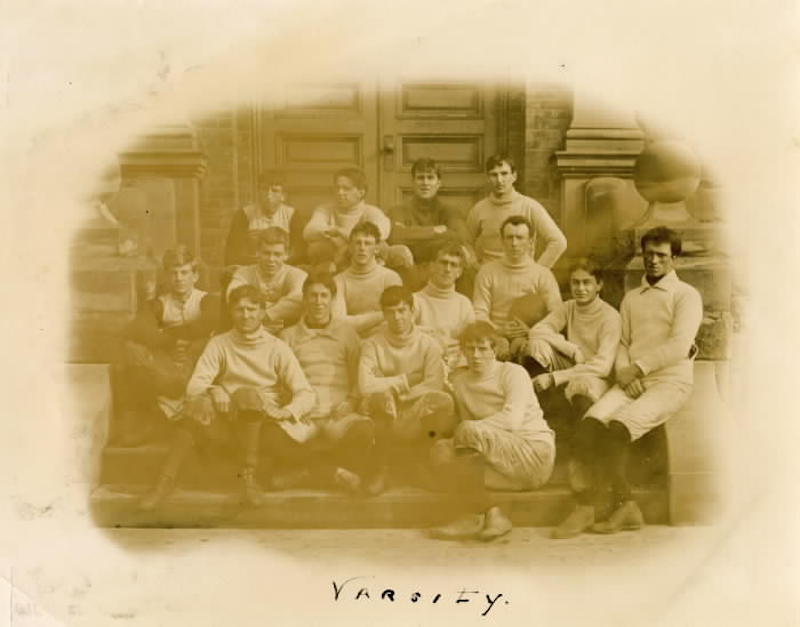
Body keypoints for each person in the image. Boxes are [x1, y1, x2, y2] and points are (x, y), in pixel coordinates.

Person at [551, 226, 703, 538]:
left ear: (674, 257)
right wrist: (624, 371)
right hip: (631, 379)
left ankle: (625, 506)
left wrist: (637, 369)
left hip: (669, 383)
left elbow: (679, 345)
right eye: (649, 254)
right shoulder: (633, 298)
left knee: (617, 430)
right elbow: (623, 342)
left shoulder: (686, 296)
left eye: (661, 255)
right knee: (590, 423)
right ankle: (587, 505)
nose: (654, 261)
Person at [138, 285, 315, 511]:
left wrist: (287, 411)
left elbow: (306, 393)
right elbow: (195, 386)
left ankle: (248, 479)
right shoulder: (220, 343)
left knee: (248, 395)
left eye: (252, 309)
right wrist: (214, 390)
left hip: (260, 425)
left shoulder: (276, 348)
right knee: (198, 406)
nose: (246, 315)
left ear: (262, 312)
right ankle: (164, 483)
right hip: (227, 421)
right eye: (240, 309)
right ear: (231, 312)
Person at [429, 321, 556, 541]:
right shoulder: (460, 382)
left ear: (494, 350)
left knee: (466, 432)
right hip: (501, 463)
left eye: (483, 348)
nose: (476, 355)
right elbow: (467, 445)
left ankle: (472, 516)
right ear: (463, 351)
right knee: (441, 452)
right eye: (470, 349)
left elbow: (512, 421)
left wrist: (466, 432)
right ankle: (493, 514)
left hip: (533, 454)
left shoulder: (513, 373)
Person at [279, 273, 376, 494]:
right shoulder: (288, 336)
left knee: (364, 430)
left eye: (324, 296)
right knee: (271, 435)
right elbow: (282, 381)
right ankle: (332, 473)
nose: (318, 302)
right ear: (304, 298)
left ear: (332, 299)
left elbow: (357, 377)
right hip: (303, 415)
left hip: (337, 414)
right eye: (313, 296)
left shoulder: (347, 334)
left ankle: (310, 472)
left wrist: (351, 402)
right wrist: (294, 406)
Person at [113, 246, 219, 446]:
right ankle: (149, 420)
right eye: (174, 273)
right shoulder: (159, 304)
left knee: (209, 344)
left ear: (195, 276)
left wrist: (172, 335)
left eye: (185, 272)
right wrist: (171, 343)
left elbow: (208, 325)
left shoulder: (206, 300)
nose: (179, 278)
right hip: (169, 365)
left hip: (198, 363)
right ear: (167, 276)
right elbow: (140, 328)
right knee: (131, 348)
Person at [358, 285, 456, 493]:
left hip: (415, 405)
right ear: (384, 314)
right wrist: (405, 380)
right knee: (380, 401)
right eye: (390, 312)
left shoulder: (429, 344)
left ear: (412, 311)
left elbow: (433, 383)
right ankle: (381, 471)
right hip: (386, 406)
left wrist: (400, 393)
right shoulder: (373, 344)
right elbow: (365, 385)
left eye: (402, 310)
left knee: (440, 404)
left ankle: (421, 466)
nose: (397, 317)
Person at [528, 258, 622, 446]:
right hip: (573, 365)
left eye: (586, 282)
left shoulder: (610, 316)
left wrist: (555, 377)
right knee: (537, 344)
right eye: (575, 282)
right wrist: (572, 349)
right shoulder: (569, 307)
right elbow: (537, 330)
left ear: (599, 285)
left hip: (596, 377)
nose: (580, 288)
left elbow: (602, 367)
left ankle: (580, 448)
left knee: (580, 387)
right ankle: (541, 422)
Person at [472, 215, 562, 361]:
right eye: (509, 237)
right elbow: (479, 312)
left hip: (531, 337)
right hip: (495, 337)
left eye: (520, 238)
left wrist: (532, 332)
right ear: (502, 240)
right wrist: (498, 331)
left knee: (534, 351)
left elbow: (557, 315)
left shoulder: (543, 274)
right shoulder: (487, 272)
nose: (514, 243)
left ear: (531, 241)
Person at [302, 167, 412, 272]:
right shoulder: (325, 209)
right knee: (317, 247)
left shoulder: (372, 212)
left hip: (366, 260)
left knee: (395, 251)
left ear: (361, 192)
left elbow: (378, 235)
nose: (340, 192)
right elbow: (309, 231)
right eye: (337, 188)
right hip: (335, 260)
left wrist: (340, 232)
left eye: (346, 189)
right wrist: (343, 238)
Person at [387, 158, 475, 291]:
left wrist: (412, 236)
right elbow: (395, 236)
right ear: (413, 182)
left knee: (467, 264)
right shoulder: (398, 210)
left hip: (442, 268)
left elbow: (460, 238)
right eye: (420, 178)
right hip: (410, 270)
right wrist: (435, 231)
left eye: (430, 178)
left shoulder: (450, 211)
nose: (425, 183)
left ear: (439, 183)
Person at [466, 154, 566, 267]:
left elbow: (558, 242)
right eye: (494, 175)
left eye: (504, 174)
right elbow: (465, 242)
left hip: (522, 277)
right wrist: (476, 267)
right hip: (490, 278)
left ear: (514, 176)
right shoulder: (479, 209)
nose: (499, 180)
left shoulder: (530, 206)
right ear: (488, 178)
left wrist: (538, 271)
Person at [226, 227, 307, 332]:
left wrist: (266, 315)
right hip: (250, 330)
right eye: (266, 253)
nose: (271, 259)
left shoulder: (297, 275)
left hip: (286, 331)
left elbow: (299, 298)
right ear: (257, 252)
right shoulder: (244, 273)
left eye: (277, 254)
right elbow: (233, 297)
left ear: (286, 255)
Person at [331, 221, 403, 337]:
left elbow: (395, 318)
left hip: (384, 339)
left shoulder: (390, 278)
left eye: (368, 243)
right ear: (350, 247)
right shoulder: (338, 281)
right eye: (357, 243)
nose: (362, 248)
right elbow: (339, 323)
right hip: (350, 340)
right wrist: (381, 315)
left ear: (376, 248)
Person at [413, 243, 476, 372]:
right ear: (432, 266)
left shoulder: (464, 304)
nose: (447, 269)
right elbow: (405, 337)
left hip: (457, 367)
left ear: (459, 272)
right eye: (443, 263)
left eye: (453, 265)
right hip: (422, 366)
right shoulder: (414, 300)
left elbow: (470, 341)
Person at [224, 173, 300, 267]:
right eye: (264, 189)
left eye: (275, 191)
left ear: (283, 196)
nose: (268, 195)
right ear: (258, 193)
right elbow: (233, 254)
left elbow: (299, 253)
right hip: (252, 267)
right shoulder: (244, 215)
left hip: (283, 267)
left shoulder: (292, 215)